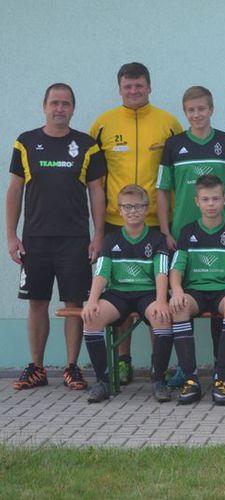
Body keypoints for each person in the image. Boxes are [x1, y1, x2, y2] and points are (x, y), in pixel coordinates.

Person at [7, 83, 106, 391]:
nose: (60, 108)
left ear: (73, 108)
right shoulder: (26, 142)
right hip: (35, 239)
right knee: (36, 302)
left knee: (74, 303)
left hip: (74, 240)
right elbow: (14, 190)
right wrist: (11, 235)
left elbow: (97, 193)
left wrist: (98, 235)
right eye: (54, 103)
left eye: (65, 103)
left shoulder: (87, 145)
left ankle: (72, 367)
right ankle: (36, 368)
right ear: (44, 106)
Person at [89, 62, 182, 383]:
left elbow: (175, 174)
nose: (133, 91)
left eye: (139, 85)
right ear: (119, 89)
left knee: (158, 294)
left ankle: (159, 366)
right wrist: (99, 232)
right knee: (120, 290)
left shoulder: (169, 123)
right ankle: (123, 361)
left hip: (156, 223)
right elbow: (94, 181)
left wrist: (167, 228)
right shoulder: (102, 124)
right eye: (127, 86)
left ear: (149, 86)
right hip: (117, 222)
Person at [157, 86, 225, 389]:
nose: (197, 114)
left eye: (201, 108)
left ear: (211, 109)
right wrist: (165, 231)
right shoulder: (174, 144)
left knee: (220, 293)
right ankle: (184, 368)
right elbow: (162, 190)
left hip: (221, 235)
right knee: (183, 298)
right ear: (185, 112)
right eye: (191, 110)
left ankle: (222, 368)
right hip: (183, 236)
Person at [79, 185, 171, 403]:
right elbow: (102, 273)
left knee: (162, 318)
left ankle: (159, 380)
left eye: (138, 206)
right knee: (91, 318)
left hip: (147, 293)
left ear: (147, 208)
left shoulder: (157, 239)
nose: (133, 211)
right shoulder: (111, 240)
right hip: (118, 294)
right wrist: (92, 301)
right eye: (127, 207)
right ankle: (103, 382)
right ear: (119, 210)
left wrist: (161, 301)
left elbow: (161, 272)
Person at [168, 175, 225, 405]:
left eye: (215, 199)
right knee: (179, 308)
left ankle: (221, 380)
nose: (211, 204)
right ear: (197, 201)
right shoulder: (187, 231)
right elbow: (176, 269)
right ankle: (191, 380)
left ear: (224, 199)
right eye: (205, 199)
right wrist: (177, 290)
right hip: (196, 291)